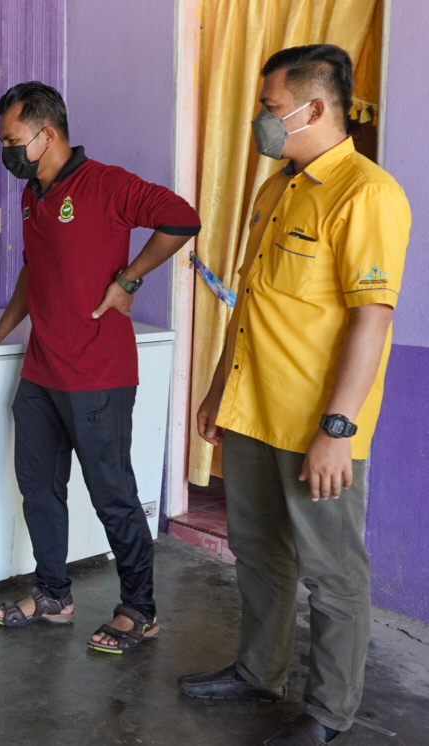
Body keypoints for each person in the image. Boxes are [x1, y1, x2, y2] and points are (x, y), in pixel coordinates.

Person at [178, 45, 411, 746]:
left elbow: (372, 316)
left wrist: (336, 429)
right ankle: (258, 671)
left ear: (314, 108)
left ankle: (328, 712)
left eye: (270, 108)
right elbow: (251, 304)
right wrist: (219, 389)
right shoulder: (275, 189)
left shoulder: (366, 194)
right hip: (252, 413)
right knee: (258, 552)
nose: (261, 120)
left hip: (316, 426)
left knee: (331, 572)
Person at [0, 82, 200, 652]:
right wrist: (1, 329)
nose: (7, 151)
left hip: (99, 374)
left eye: (13, 140)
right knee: (39, 488)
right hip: (41, 371)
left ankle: (140, 610)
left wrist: (129, 278)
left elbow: (182, 220)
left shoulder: (107, 184)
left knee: (112, 494)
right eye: (3, 141)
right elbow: (34, 268)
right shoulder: (30, 195)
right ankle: (53, 595)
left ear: (47, 134)